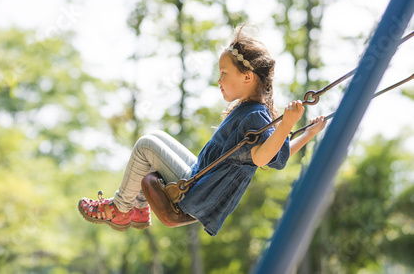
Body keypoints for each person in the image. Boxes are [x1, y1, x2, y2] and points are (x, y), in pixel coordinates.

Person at [78, 25, 327, 236]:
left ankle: (120, 209)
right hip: (199, 176)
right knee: (156, 138)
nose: (218, 80)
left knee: (145, 145)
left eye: (224, 73)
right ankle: (140, 208)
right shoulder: (252, 111)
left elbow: (264, 158)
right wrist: (309, 134)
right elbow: (278, 153)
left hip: (198, 192)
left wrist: (288, 125)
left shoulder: (255, 117)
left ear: (248, 77)